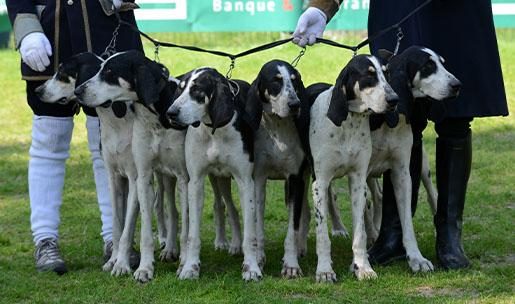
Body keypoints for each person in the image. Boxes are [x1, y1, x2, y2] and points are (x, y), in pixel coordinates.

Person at [293, 0, 508, 269]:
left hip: (459, 12)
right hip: (397, 6)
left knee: (457, 116)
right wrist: (323, 6)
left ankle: (450, 234)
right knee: (397, 113)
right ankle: (393, 235)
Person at [6, 0, 143, 274]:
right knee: (49, 140)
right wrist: (26, 27)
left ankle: (115, 238)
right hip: (47, 35)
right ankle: (45, 240)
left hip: (107, 29)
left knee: (110, 142)